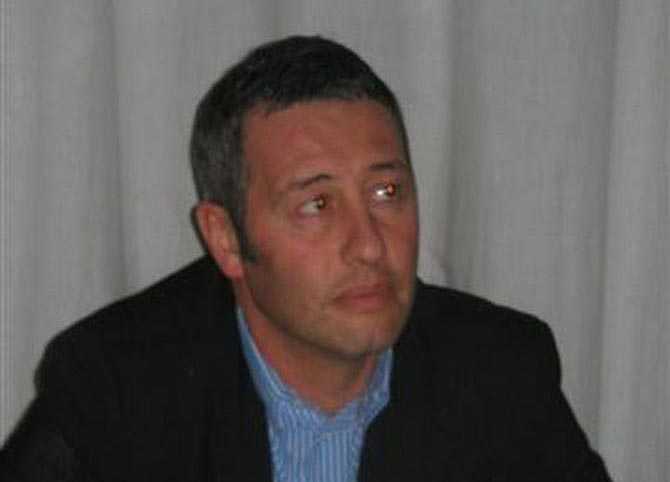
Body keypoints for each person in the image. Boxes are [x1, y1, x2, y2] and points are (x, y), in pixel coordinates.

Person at [1, 36, 612, 482]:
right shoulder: (116, 386)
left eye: (386, 193)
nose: (369, 244)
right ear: (226, 239)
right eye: (317, 205)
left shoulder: (500, 372)